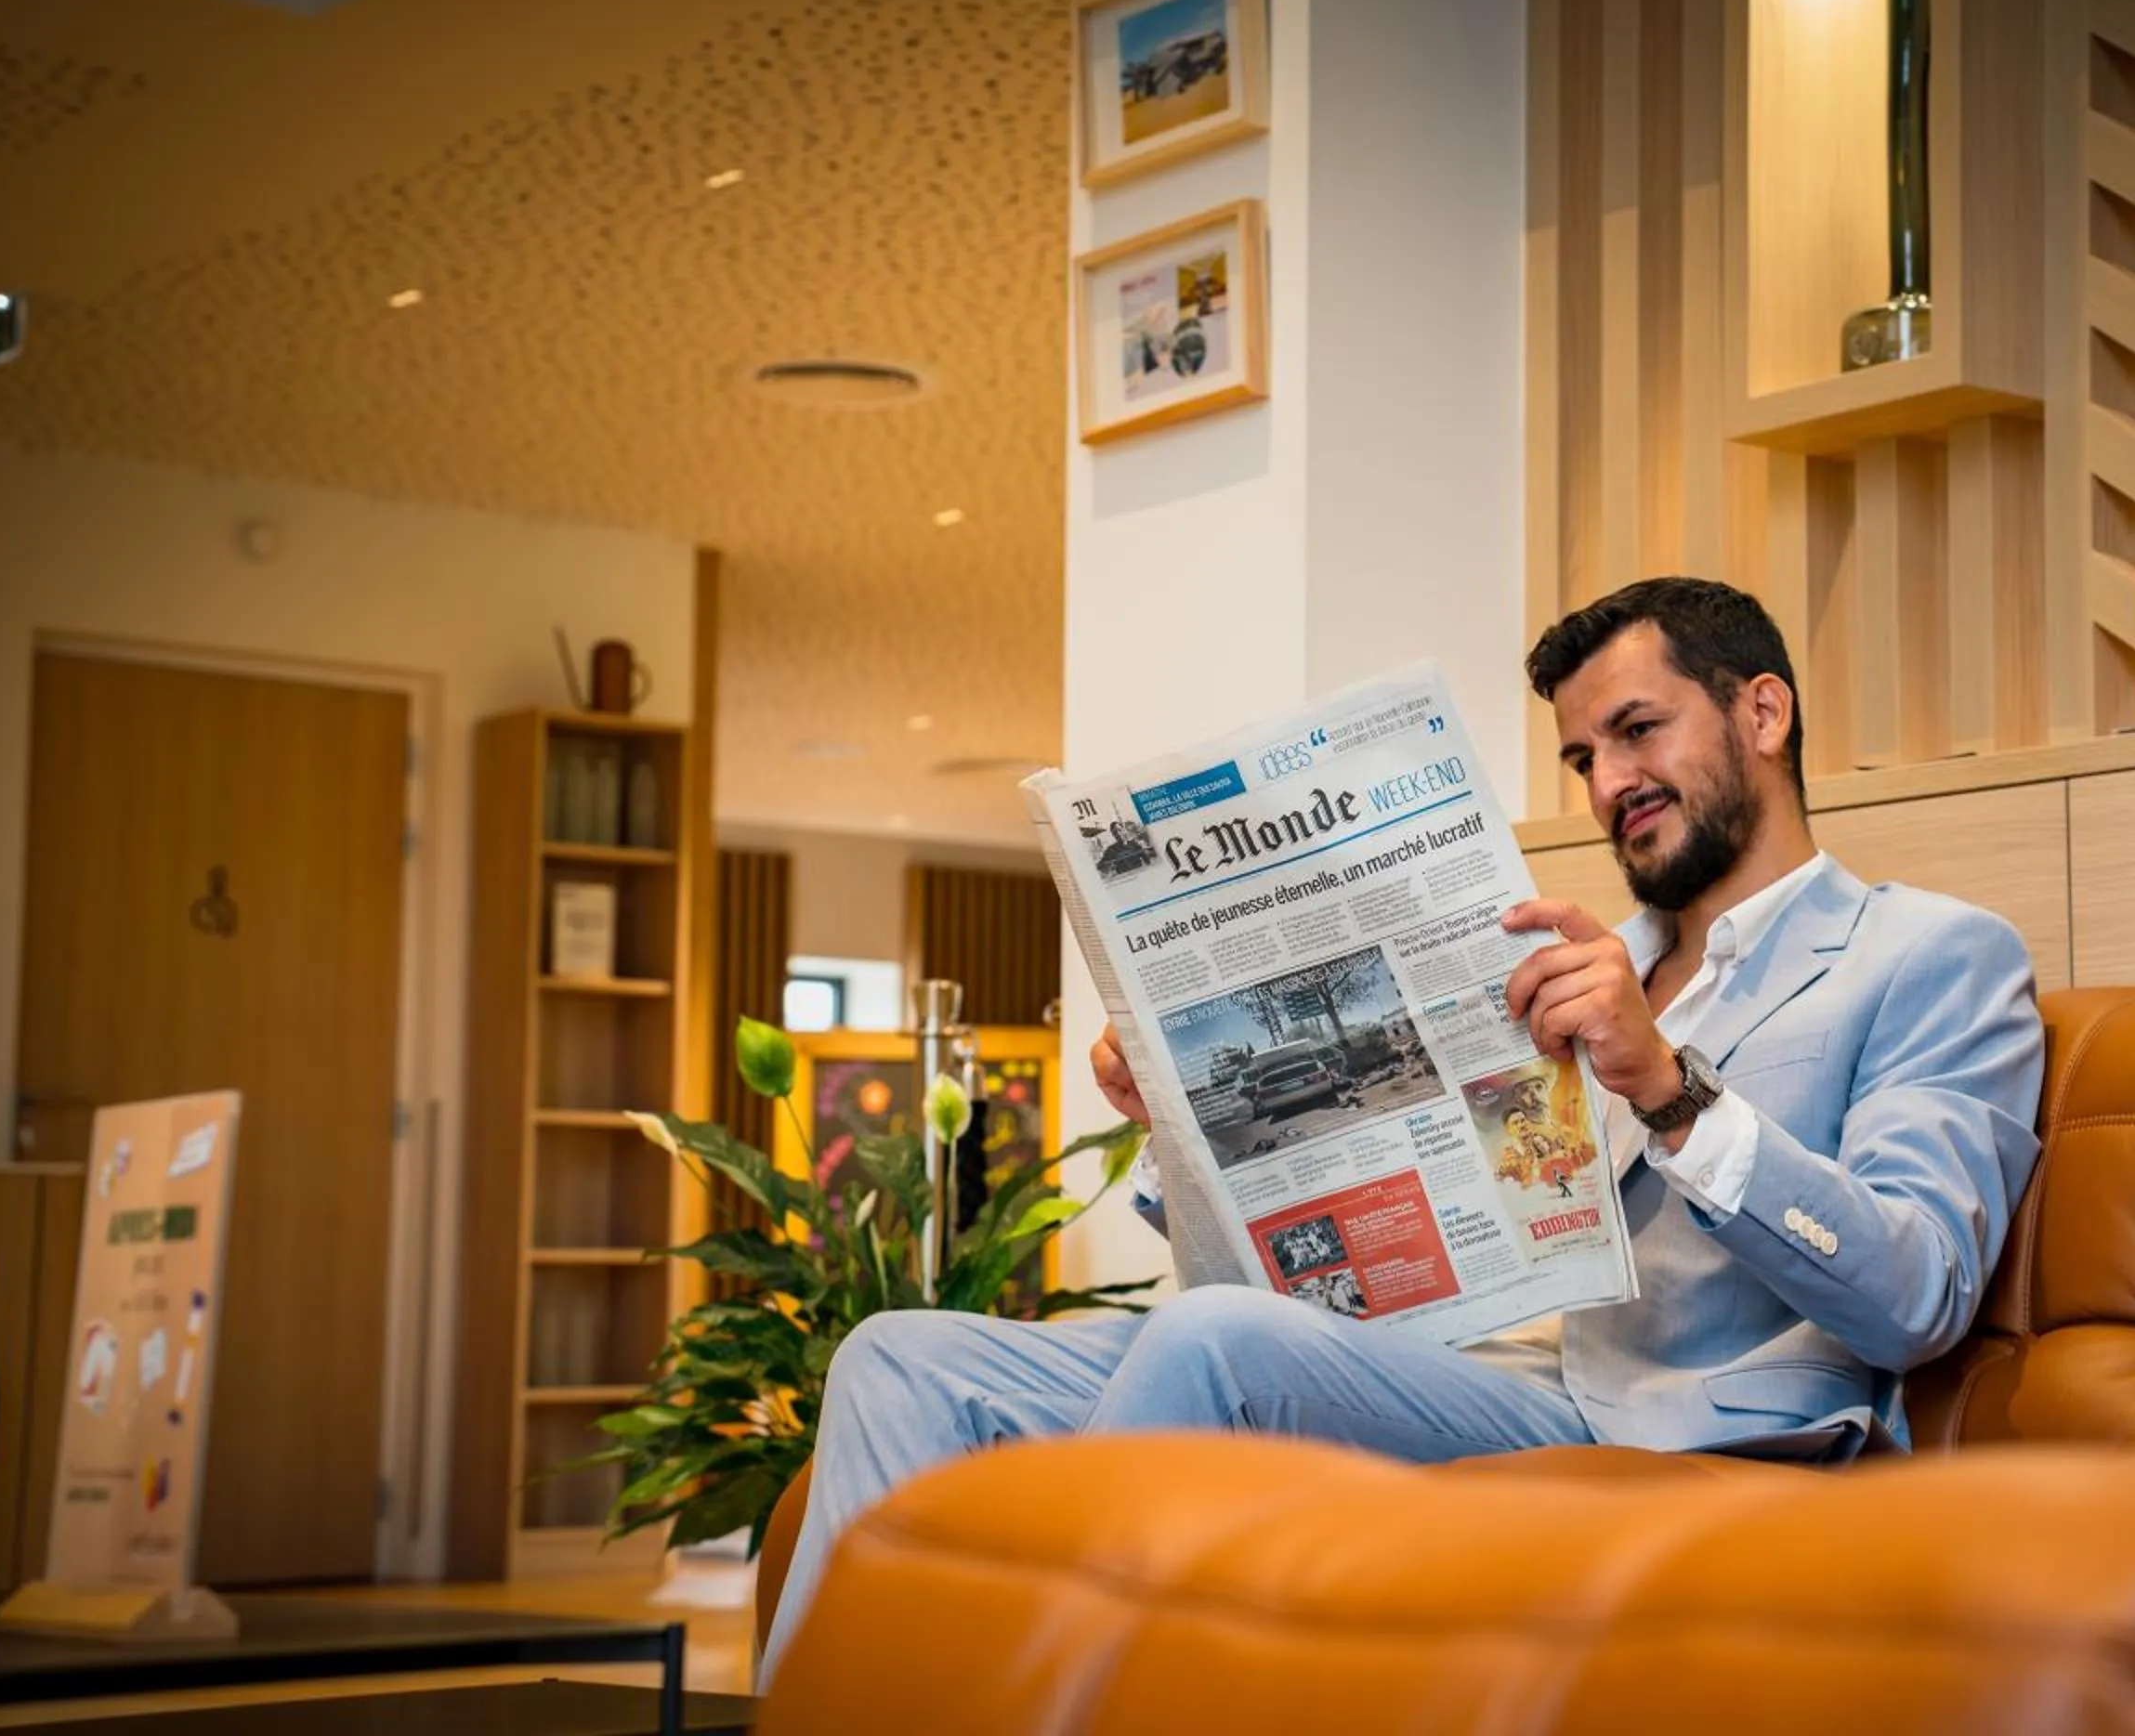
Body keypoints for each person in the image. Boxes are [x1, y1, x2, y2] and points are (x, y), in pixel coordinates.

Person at [759, 577, 2042, 1677]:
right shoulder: (1561, 967)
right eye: (1584, 757)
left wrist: (1670, 1088)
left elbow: (1916, 1289)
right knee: (902, 1357)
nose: (1609, 782)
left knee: (1213, 1346)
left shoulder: (1928, 955)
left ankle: (1058, 1690)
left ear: (1764, 711)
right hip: (1470, 1366)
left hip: (1672, 1429)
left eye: (1637, 730)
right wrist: (1184, 1124)